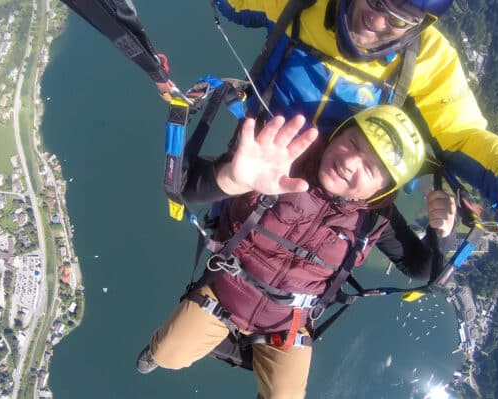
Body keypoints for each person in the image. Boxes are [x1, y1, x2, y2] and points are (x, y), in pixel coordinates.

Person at [136, 105, 457, 399]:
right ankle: (170, 351)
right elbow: (185, 182)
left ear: (382, 191)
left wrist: (441, 234)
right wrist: (231, 178)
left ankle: (244, 350)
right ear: (338, 133)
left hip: (286, 323)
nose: (350, 163)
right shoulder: (281, 159)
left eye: (371, 169)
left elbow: (421, 268)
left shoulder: (374, 218)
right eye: (353, 143)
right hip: (226, 296)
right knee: (168, 354)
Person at [211, 0, 498, 212]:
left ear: (421, 24)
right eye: (375, 1)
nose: (376, 20)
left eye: (399, 18)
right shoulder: (305, 5)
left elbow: (460, 134)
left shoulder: (427, 58)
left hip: (330, 202)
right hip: (252, 165)